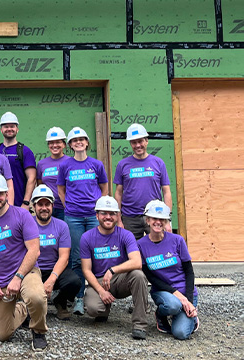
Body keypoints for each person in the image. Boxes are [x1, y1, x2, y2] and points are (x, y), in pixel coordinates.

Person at [0, 173, 47, 351]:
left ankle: (38, 331)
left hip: (25, 273)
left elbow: (34, 249)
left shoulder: (22, 215)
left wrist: (18, 277)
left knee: (36, 297)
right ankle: (23, 308)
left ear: (7, 194)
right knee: (1, 335)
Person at [80, 196, 149, 340]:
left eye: (112, 214)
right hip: (99, 281)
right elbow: (86, 270)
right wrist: (100, 291)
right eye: (104, 213)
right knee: (93, 309)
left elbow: (137, 262)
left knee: (138, 275)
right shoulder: (87, 237)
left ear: (118, 216)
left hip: (120, 280)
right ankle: (103, 310)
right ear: (97, 215)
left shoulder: (126, 235)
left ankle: (140, 325)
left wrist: (112, 270)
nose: (108, 217)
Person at [57, 126, 109, 316]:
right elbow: (61, 189)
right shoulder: (65, 166)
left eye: (81, 139)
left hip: (93, 217)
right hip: (73, 217)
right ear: (70, 145)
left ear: (87, 142)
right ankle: (79, 298)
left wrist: (99, 208)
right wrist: (68, 206)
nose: (78, 142)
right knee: (78, 258)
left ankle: (97, 295)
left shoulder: (96, 165)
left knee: (96, 256)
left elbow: (104, 187)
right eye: (74, 140)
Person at [137, 200, 199, 340]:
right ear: (147, 220)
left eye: (162, 219)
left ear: (166, 222)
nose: (158, 222)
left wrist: (188, 300)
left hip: (186, 291)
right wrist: (178, 296)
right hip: (163, 291)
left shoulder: (177, 240)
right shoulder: (140, 245)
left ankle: (190, 314)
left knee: (181, 334)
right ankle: (161, 314)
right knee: (173, 305)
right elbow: (151, 277)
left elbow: (189, 272)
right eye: (154, 218)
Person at [114, 123, 173, 239]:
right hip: (130, 218)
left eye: (140, 141)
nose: (137, 145)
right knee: (131, 251)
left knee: (157, 250)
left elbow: (166, 192)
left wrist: (167, 219)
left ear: (147, 141)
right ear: (130, 144)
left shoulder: (158, 163)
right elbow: (118, 193)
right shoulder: (122, 165)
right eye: (134, 142)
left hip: (155, 215)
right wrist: (119, 220)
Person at [31, 185, 79, 320]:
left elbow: (64, 256)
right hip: (34, 270)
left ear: (52, 205)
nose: (44, 208)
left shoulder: (61, 226)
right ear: (34, 206)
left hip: (54, 269)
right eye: (40, 204)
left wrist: (51, 280)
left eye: (47, 204)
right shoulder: (27, 224)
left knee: (74, 281)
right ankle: (29, 303)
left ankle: (60, 301)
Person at [0, 112, 37, 210]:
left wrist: (26, 203)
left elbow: (32, 178)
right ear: (1, 130)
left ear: (17, 129)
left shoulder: (25, 151)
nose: (9, 129)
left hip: (19, 205)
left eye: (12, 126)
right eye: (6, 126)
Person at [36, 127, 70, 220]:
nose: (54, 145)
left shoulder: (70, 162)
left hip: (65, 208)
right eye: (51, 143)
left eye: (58, 142)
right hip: (47, 208)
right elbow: (40, 184)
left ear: (64, 144)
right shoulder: (41, 164)